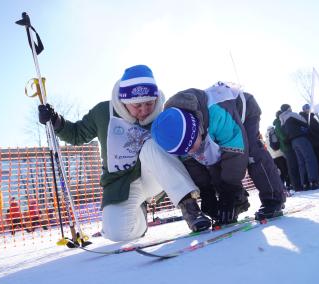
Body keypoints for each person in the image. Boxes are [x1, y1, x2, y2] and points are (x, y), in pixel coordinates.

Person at [38, 65, 211, 242]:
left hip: (154, 177)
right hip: (121, 184)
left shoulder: (163, 114)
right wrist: (55, 120)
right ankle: (139, 220)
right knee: (116, 233)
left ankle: (190, 209)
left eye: (149, 104)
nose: (144, 110)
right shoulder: (103, 112)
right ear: (124, 101)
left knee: (150, 145)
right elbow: (76, 134)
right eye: (137, 105)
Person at [151, 82, 286, 223]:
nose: (190, 151)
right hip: (214, 126)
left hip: (242, 111)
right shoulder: (175, 135)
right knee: (212, 161)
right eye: (185, 151)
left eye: (191, 145)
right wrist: (206, 192)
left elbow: (236, 152)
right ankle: (237, 203)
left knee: (251, 150)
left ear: (197, 129)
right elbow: (195, 167)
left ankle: (273, 197)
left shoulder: (216, 113)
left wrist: (228, 190)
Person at [279, 104, 319, 190]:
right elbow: (305, 122)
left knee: (301, 162)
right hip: (301, 138)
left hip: (293, 142)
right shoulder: (292, 114)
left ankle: (305, 183)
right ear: (288, 108)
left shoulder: (282, 120)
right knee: (310, 159)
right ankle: (314, 182)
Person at [273, 111, 302, 191]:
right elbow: (282, 136)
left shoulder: (279, 123)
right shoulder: (278, 123)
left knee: (292, 165)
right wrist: (289, 138)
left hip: (287, 147)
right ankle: (296, 185)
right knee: (292, 166)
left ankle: (297, 184)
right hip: (287, 147)